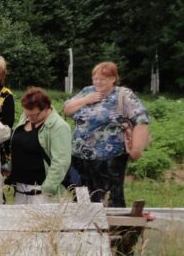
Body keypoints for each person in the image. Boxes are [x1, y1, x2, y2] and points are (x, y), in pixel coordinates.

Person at [63, 61, 150, 207]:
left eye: (102, 79)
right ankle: (85, 227)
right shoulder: (87, 91)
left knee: (110, 198)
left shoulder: (123, 94)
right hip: (80, 157)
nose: (98, 82)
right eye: (95, 78)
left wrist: (136, 150)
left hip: (109, 159)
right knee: (81, 197)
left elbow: (141, 120)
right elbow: (67, 110)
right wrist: (86, 100)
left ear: (113, 79)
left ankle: (114, 228)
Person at [8, 87, 72, 204]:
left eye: (34, 115)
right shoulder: (26, 117)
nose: (29, 118)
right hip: (20, 190)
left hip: (41, 193)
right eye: (27, 114)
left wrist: (47, 189)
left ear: (47, 108)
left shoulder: (59, 127)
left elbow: (61, 162)